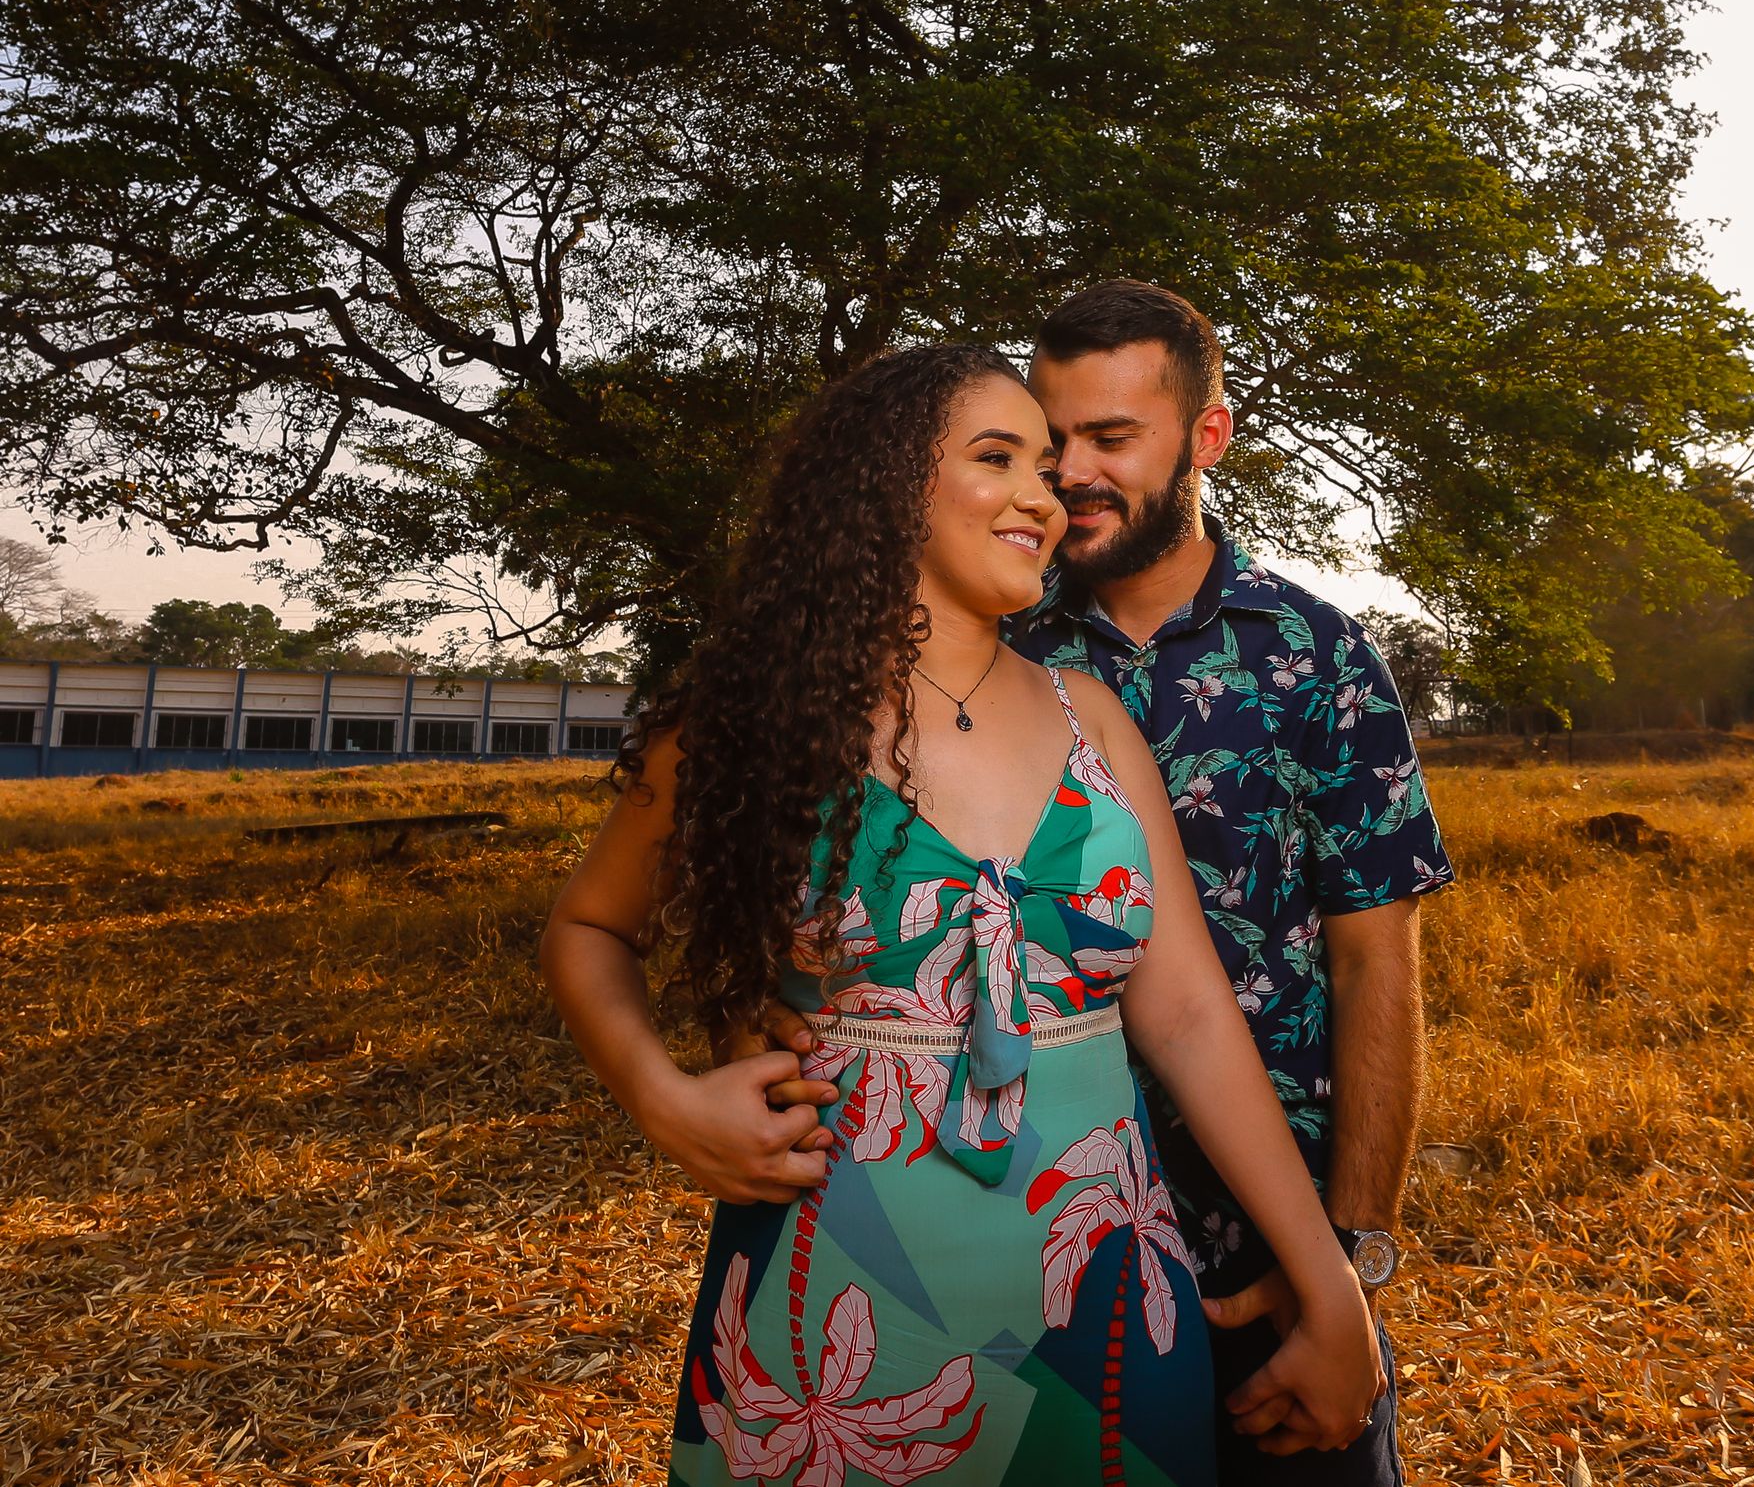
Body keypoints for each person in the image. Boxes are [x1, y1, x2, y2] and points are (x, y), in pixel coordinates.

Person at [542, 343, 1382, 1486]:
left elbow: (1190, 1016)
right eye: (1000, 457)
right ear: (887, 480)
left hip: (1107, 1295)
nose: (1047, 493)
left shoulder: (1091, 715)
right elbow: (589, 927)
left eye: (1047, 465)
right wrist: (662, 1095)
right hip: (838, 1302)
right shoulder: (751, 721)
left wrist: (1333, 1285)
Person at [1013, 281, 1456, 1486]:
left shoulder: (1319, 654)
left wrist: (1349, 1260)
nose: (1072, 472)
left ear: (1206, 436)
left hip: (1275, 1255)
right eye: (1053, 437)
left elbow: (1374, 962)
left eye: (1112, 437)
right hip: (1045, 1249)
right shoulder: (1000, 654)